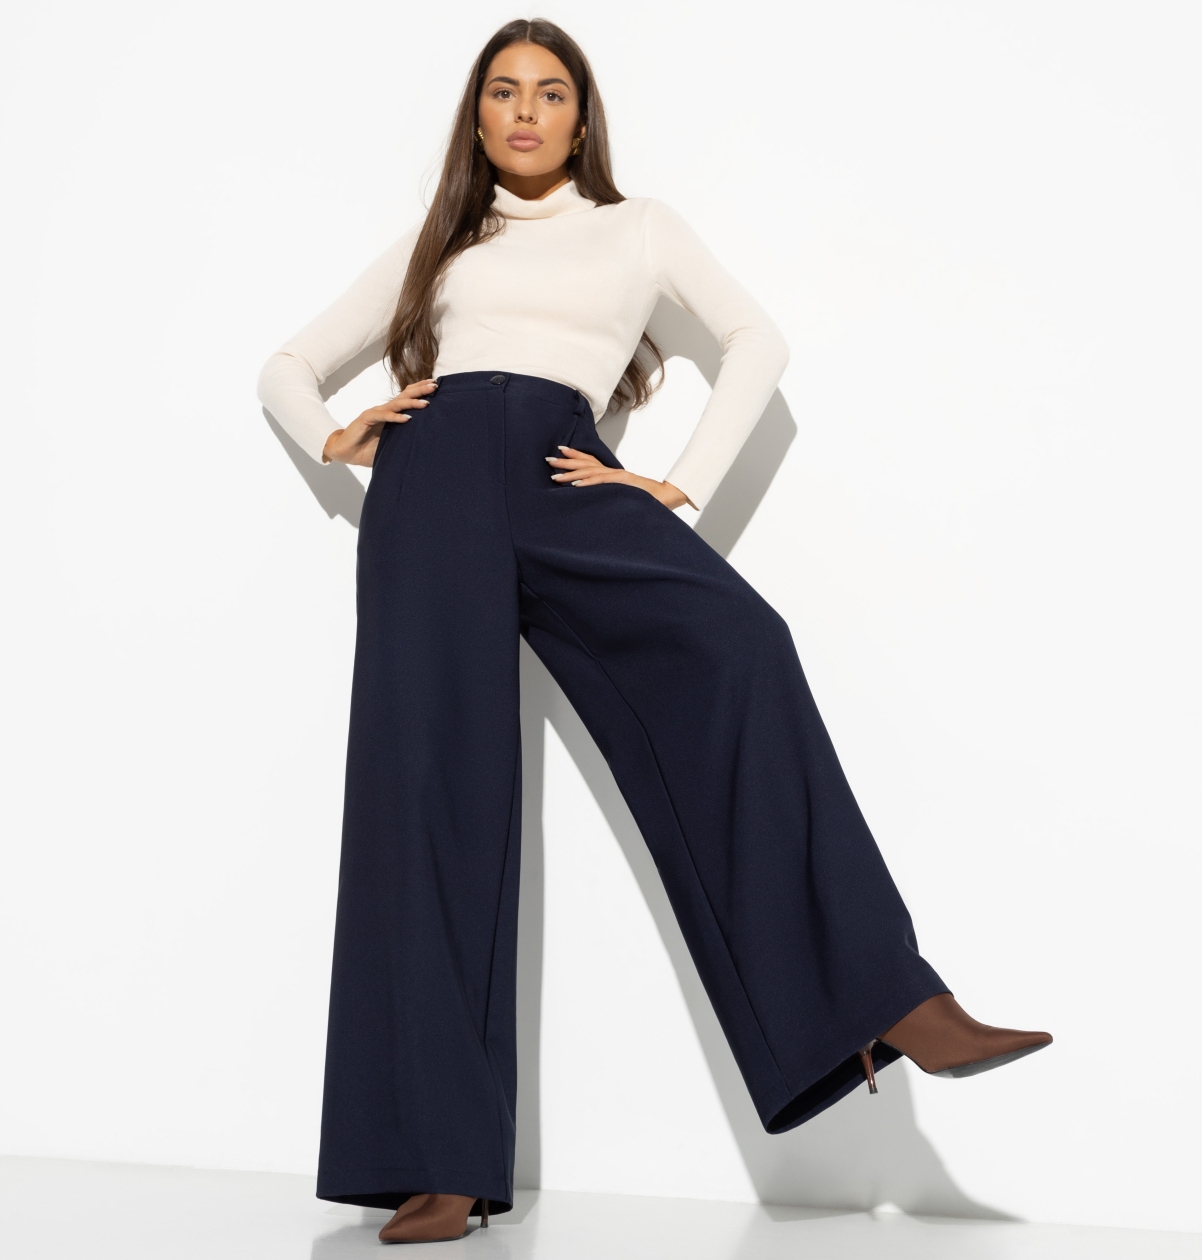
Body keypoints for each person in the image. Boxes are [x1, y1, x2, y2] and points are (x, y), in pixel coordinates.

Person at [257, 17, 1052, 1245]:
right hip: (433, 494)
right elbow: (287, 364)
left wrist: (677, 483)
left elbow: (757, 342)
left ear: (583, 117)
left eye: (551, 92)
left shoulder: (639, 229)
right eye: (504, 92)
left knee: (743, 646)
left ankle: (887, 1000)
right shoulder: (442, 243)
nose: (526, 111)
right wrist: (335, 432)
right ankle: (435, 1166)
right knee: (430, 794)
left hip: (564, 473)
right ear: (478, 117)